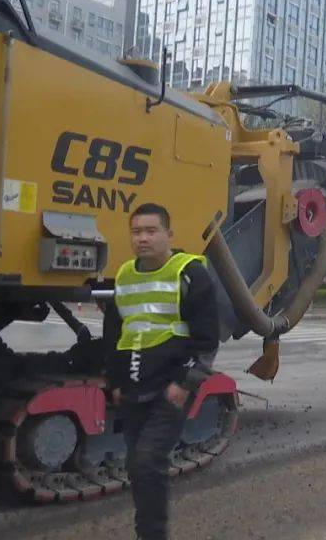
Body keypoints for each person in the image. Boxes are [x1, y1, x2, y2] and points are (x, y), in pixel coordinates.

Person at [103, 203, 219, 540]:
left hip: (171, 386)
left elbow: (207, 338)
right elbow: (115, 335)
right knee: (137, 467)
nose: (143, 238)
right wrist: (115, 382)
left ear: (169, 234)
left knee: (148, 461)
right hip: (134, 387)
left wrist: (186, 383)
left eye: (151, 231)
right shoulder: (124, 276)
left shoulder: (189, 274)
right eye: (136, 232)